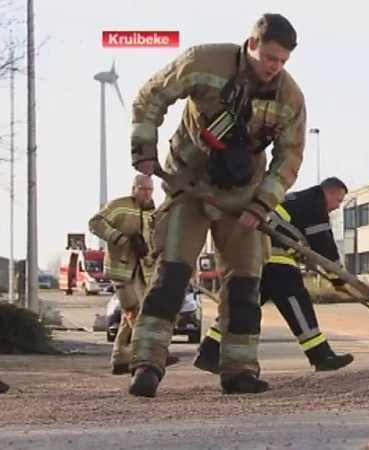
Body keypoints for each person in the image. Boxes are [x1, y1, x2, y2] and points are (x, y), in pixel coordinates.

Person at [127, 12, 306, 397]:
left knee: (245, 283)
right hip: (187, 184)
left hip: (244, 197)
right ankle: (146, 364)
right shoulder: (203, 61)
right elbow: (152, 96)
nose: (275, 69)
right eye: (271, 58)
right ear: (252, 43)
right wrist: (144, 148)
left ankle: (239, 370)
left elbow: (288, 159)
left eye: (284, 62)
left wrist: (261, 204)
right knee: (171, 275)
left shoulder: (290, 98)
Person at [193, 177, 354, 374]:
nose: (336, 208)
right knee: (297, 304)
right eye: (338, 200)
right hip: (277, 260)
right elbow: (324, 245)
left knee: (242, 308)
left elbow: (299, 236)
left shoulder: (299, 200)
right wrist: (338, 276)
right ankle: (321, 356)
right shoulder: (314, 204)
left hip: (262, 255)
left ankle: (208, 352)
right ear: (328, 192)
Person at [88, 174, 180, 375]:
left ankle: (121, 357)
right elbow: (95, 223)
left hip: (143, 270)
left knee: (129, 315)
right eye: (144, 189)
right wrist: (122, 239)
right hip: (120, 270)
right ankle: (150, 353)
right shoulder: (119, 206)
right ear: (134, 189)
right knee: (134, 310)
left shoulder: (154, 213)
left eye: (150, 190)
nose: (148, 194)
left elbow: (155, 239)